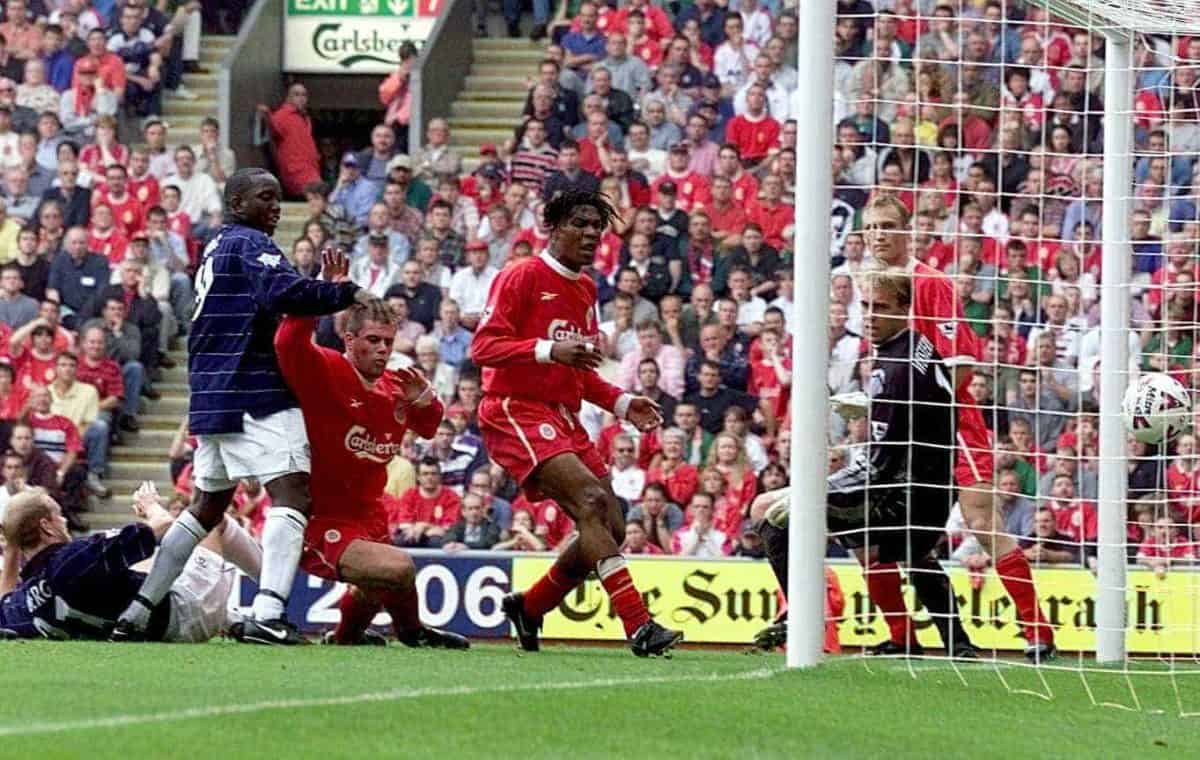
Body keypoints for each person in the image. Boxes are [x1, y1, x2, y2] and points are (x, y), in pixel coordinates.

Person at [111, 168, 390, 645]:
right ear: (237, 203)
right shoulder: (249, 242)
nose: (276, 206)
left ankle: (139, 609)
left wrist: (318, 284)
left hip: (212, 395)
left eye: (279, 197)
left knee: (206, 506)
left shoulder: (215, 249)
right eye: (266, 197)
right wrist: (344, 291)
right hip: (252, 390)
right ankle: (269, 612)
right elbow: (282, 292)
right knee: (293, 492)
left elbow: (274, 294)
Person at [470, 190, 681, 657]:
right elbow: (483, 348)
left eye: (597, 227)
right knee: (588, 501)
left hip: (562, 414)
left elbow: (579, 371)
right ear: (554, 226)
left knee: (612, 523)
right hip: (514, 407)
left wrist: (623, 403)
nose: (591, 233)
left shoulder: (585, 289)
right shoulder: (521, 276)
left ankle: (531, 606)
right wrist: (547, 349)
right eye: (580, 223)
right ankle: (639, 626)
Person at [861, 194, 1056, 662]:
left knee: (982, 522)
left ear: (908, 231)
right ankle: (903, 633)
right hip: (901, 425)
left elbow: (962, 364)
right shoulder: (871, 284)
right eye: (870, 227)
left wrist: (919, 405)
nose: (878, 235)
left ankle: (1038, 631)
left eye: (888, 225)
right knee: (877, 528)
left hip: (952, 424)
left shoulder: (931, 283)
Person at [752, 269, 978, 659]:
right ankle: (957, 644)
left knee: (768, 511)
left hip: (898, 495)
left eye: (881, 307)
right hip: (931, 492)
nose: (870, 316)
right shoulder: (915, 346)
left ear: (905, 308)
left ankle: (799, 614)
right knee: (899, 550)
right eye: (866, 307)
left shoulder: (895, 367)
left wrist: (828, 483)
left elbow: (881, 464)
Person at [273, 284, 467, 648]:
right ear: (348, 339)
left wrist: (426, 402)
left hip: (370, 515)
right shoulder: (327, 369)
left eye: (388, 342)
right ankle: (413, 633)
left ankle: (345, 639)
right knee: (398, 569)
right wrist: (319, 294)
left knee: (377, 584)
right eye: (373, 340)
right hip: (322, 519)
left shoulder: (396, 384)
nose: (382, 350)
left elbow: (428, 428)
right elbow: (286, 346)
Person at [0, 483, 261, 642]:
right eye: (58, 514)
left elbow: (5, 598)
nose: (65, 520)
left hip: (150, 631)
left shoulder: (25, 599)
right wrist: (150, 506)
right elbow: (163, 526)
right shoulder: (72, 560)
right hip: (186, 611)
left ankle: (235, 622)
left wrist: (12, 545)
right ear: (46, 526)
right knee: (210, 517)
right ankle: (272, 593)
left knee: (143, 570)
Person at [257, 83, 320, 199]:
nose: (301, 98)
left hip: (310, 170)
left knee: (317, 199)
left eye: (304, 95)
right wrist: (267, 115)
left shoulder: (304, 118)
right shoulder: (282, 116)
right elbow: (273, 129)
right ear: (288, 98)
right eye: (297, 95)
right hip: (296, 171)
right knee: (316, 197)